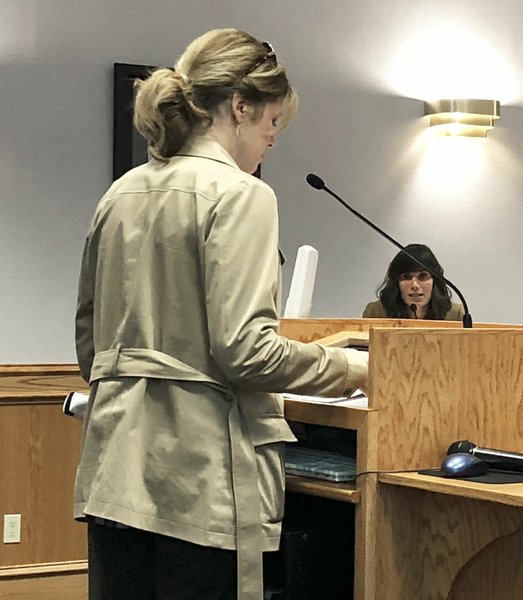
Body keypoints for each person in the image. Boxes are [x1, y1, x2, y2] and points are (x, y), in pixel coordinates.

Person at [74, 29, 368, 600]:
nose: (272, 141)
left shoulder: (121, 193)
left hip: (112, 470)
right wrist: (358, 369)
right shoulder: (242, 194)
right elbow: (247, 352)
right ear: (240, 107)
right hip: (201, 482)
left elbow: (90, 346)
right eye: (271, 123)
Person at [362, 243, 465, 321]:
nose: (415, 285)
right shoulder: (376, 313)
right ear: (396, 282)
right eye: (407, 277)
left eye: (423, 276)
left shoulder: (455, 314)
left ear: (435, 280)